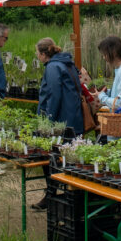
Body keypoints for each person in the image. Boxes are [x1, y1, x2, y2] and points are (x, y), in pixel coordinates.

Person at [32, 37, 84, 211]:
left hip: (61, 122)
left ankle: (52, 194)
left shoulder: (53, 67)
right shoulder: (67, 63)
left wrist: (48, 123)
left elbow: (54, 96)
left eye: (37, 53)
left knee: (51, 159)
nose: (37, 57)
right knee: (70, 160)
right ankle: (68, 197)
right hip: (73, 119)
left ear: (43, 54)